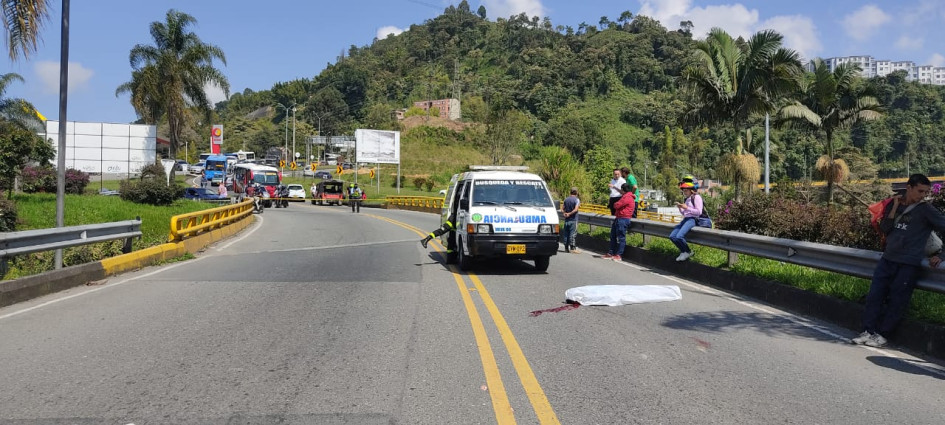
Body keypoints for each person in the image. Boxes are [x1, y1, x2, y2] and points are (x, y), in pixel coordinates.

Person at [852, 174, 945, 348]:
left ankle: (882, 335)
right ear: (908, 188)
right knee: (875, 296)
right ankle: (867, 331)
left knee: (897, 300)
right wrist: (894, 207)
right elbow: (886, 229)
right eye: (920, 191)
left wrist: (941, 256)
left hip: (908, 263)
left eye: (926, 192)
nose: (923, 195)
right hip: (888, 259)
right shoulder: (894, 204)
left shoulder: (927, 209)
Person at [669, 181, 705, 262]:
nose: (684, 192)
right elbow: (684, 213)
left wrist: (686, 208)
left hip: (692, 219)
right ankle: (683, 251)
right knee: (672, 236)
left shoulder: (697, 197)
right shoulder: (687, 199)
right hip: (686, 219)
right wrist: (680, 208)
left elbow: (699, 212)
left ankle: (688, 251)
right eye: (683, 191)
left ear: (691, 190)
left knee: (679, 236)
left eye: (686, 190)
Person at [602, 183, 635, 262]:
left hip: (623, 218)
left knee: (621, 237)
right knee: (613, 236)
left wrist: (616, 204)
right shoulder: (626, 196)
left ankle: (619, 255)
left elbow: (617, 205)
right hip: (619, 218)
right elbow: (617, 205)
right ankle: (611, 253)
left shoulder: (627, 197)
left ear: (623, 190)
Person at [561, 187, 581, 253]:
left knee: (566, 234)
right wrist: (569, 213)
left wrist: (565, 213)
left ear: (571, 192)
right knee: (572, 234)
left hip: (567, 220)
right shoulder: (577, 200)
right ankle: (572, 248)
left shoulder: (566, 199)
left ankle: (566, 248)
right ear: (576, 192)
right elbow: (576, 209)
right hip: (573, 219)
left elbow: (562, 209)